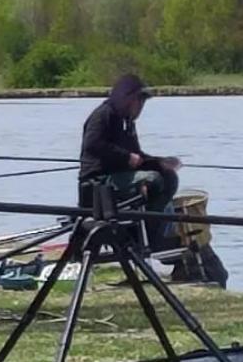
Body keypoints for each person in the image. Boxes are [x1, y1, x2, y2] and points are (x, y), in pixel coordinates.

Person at [78, 74, 181, 247]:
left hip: (119, 178)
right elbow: (92, 144)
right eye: (139, 102)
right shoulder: (103, 114)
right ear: (127, 98)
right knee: (153, 180)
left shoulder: (127, 123)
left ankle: (150, 233)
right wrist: (125, 157)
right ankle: (139, 236)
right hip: (98, 182)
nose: (141, 107)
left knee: (169, 177)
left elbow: (138, 157)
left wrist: (160, 163)